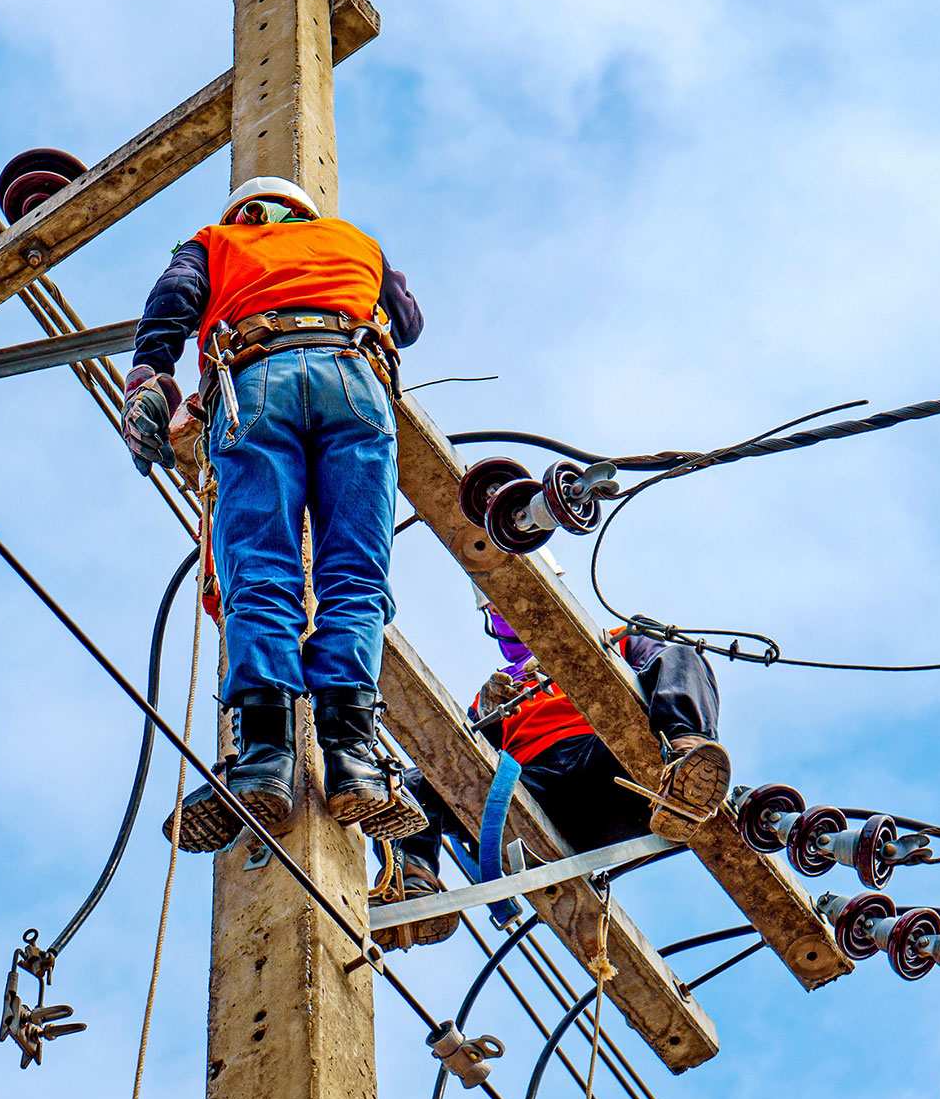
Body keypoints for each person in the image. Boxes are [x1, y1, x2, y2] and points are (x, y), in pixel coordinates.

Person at [120, 175, 424, 853]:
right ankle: (355, 760)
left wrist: (149, 380)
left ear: (244, 214)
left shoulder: (215, 243)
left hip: (257, 378)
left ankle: (265, 761)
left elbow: (173, 301)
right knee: (357, 578)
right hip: (357, 380)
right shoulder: (357, 243)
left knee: (261, 574)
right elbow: (408, 322)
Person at [389, 595, 732, 945]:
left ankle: (685, 762)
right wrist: (486, 717)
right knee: (411, 783)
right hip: (532, 789)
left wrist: (580, 657)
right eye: (493, 608)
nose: (503, 612)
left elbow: (671, 663)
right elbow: (461, 764)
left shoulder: (609, 640)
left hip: (605, 768)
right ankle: (414, 880)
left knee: (682, 654)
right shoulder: (496, 690)